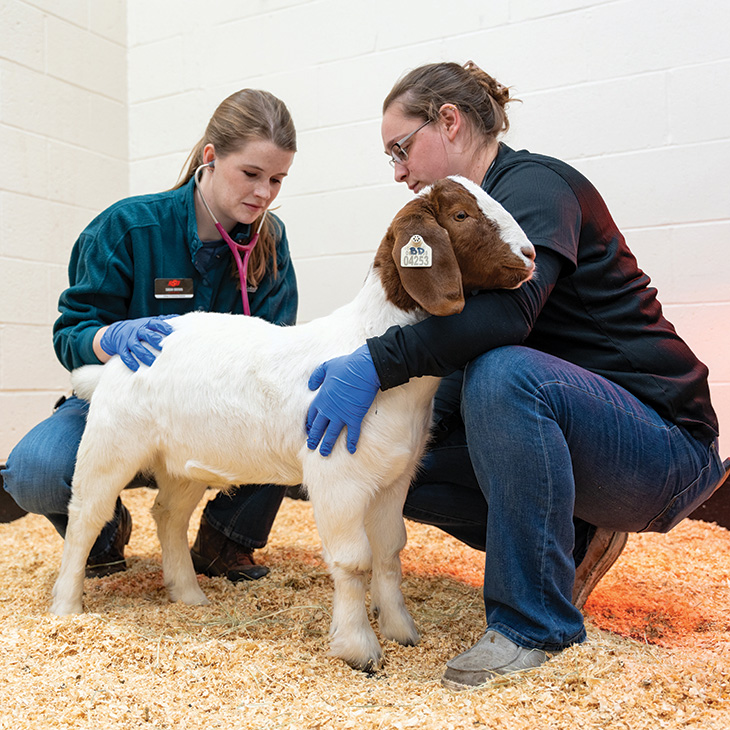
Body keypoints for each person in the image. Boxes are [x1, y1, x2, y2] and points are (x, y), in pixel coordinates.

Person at [305, 61, 725, 689]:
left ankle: (533, 625)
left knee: (504, 373)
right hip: (583, 437)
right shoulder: (464, 211)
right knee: (389, 461)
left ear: (449, 122)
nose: (398, 172)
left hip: (663, 444)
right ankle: (576, 544)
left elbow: (507, 317)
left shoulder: (535, 187)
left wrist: (377, 359)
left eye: (400, 148)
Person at [1, 89, 298, 582]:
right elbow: (71, 332)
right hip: (123, 405)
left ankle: (225, 541)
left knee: (295, 417)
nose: (264, 193)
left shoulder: (271, 240)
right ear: (210, 157)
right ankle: (102, 532)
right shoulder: (128, 227)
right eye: (251, 174)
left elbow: (280, 349)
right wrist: (110, 337)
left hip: (215, 415)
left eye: (277, 179)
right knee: (34, 472)